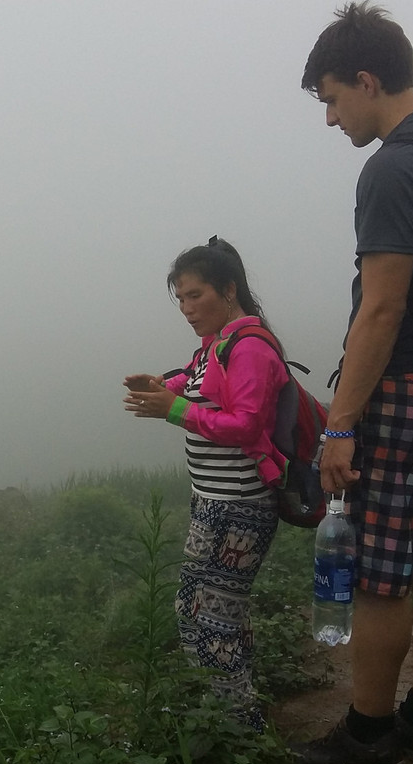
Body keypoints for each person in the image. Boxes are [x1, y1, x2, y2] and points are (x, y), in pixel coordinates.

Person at [294, 2, 413, 764]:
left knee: (379, 571)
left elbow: (383, 304)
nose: (330, 118)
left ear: (367, 79)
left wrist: (342, 424)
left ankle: (369, 735)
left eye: (332, 98)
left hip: (404, 391)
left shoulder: (393, 165)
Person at [123, 236, 289, 731]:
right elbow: (191, 386)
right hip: (212, 503)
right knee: (196, 609)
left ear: (229, 289)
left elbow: (245, 425)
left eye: (196, 295)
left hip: (240, 507)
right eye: (180, 298)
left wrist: (170, 409)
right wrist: (159, 388)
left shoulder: (251, 348)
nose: (187, 308)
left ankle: (240, 732)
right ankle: (215, 711)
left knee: (214, 618)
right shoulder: (215, 347)